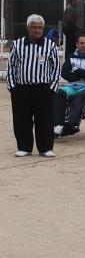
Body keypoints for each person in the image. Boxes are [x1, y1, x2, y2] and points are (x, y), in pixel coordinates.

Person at [6, 14, 60, 158]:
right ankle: (24, 147)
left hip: (43, 89)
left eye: (40, 28)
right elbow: (11, 67)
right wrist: (13, 87)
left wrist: (52, 88)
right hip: (21, 89)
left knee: (45, 120)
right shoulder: (17, 45)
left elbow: (55, 68)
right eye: (34, 27)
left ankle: (46, 148)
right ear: (28, 28)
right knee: (21, 119)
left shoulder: (50, 46)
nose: (37, 30)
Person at [53, 34, 85, 137]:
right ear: (77, 44)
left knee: (80, 95)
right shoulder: (70, 56)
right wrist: (81, 75)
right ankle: (57, 125)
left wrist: (76, 72)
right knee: (59, 93)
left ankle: (71, 125)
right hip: (71, 87)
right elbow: (64, 73)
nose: (84, 45)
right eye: (81, 43)